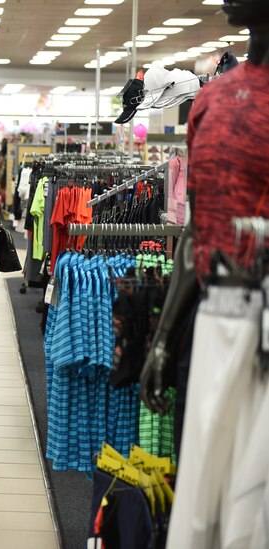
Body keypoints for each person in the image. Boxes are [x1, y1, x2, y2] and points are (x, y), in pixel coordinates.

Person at [140, 0, 269, 444]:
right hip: (210, 322)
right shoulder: (212, 98)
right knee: (198, 493)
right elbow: (200, 227)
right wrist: (164, 336)